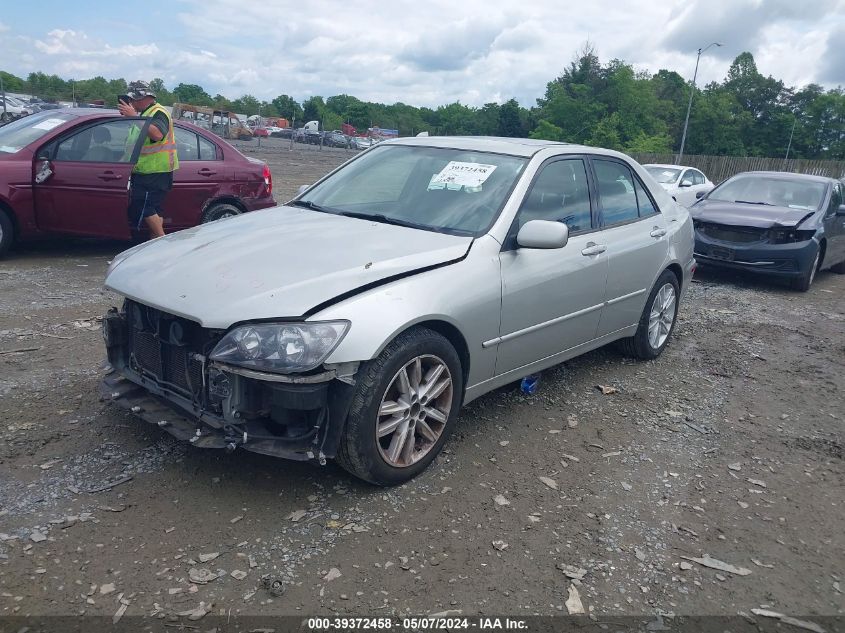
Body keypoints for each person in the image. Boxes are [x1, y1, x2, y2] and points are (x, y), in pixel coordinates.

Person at [117, 80, 179, 238]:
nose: (130, 103)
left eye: (132, 100)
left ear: (141, 98)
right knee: (153, 209)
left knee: (143, 207)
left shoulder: (158, 112)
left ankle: (161, 240)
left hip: (155, 170)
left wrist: (134, 117)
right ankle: (154, 243)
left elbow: (157, 134)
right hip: (146, 170)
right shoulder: (144, 115)